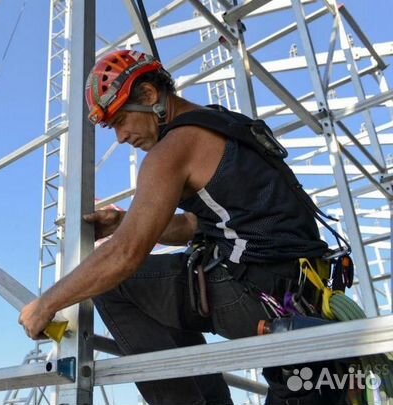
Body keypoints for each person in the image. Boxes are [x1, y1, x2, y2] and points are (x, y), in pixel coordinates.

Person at [19, 50, 345, 405]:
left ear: (148, 95)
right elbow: (197, 224)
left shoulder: (174, 148)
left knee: (116, 285)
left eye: (120, 120)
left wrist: (47, 304)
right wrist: (125, 221)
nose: (121, 137)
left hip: (256, 293)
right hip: (302, 294)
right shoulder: (220, 123)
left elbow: (125, 255)